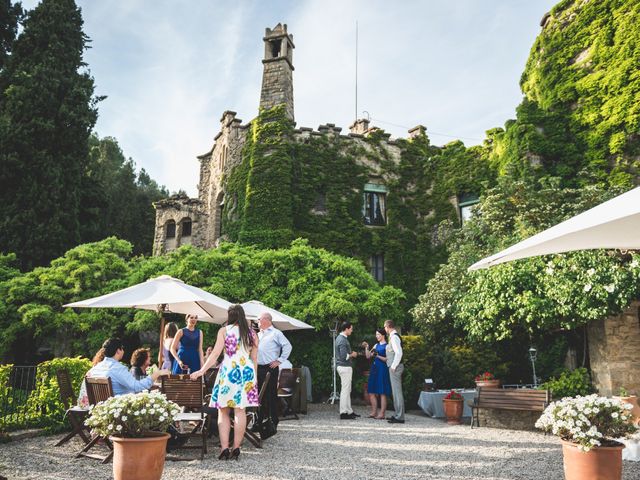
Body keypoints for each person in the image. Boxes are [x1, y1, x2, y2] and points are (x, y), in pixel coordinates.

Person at [191, 304, 259, 461]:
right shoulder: (252, 334)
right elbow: (254, 358)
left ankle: (224, 449)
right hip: (246, 372)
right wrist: (254, 378)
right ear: (242, 316)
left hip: (229, 371)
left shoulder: (224, 331)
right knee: (240, 411)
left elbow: (215, 354)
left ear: (230, 316)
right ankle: (236, 447)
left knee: (223, 411)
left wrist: (202, 371)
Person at [91, 338, 169, 395]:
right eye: (122, 349)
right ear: (118, 351)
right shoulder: (117, 368)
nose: (123, 351)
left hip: (103, 410)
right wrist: (156, 374)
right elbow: (136, 386)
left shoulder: (96, 368)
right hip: (122, 409)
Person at [257, 312, 292, 430]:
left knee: (271, 394)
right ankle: (259, 421)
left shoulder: (276, 333)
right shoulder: (258, 334)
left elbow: (288, 346)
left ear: (266, 320)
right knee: (258, 395)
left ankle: (273, 420)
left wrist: (280, 360)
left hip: (270, 367)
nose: (257, 321)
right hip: (258, 368)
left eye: (259, 319)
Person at [363, 328, 392, 419]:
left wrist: (377, 356)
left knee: (382, 392)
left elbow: (387, 359)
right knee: (371, 391)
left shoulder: (387, 346)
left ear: (383, 335)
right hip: (374, 369)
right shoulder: (376, 345)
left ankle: (382, 414)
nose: (377, 336)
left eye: (378, 334)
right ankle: (374, 412)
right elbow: (368, 356)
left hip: (382, 370)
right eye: (376, 334)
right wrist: (367, 347)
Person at [335, 321, 359, 420]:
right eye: (351, 329)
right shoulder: (342, 340)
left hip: (343, 367)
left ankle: (349, 411)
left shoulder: (341, 338)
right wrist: (352, 354)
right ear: (346, 329)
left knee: (347, 389)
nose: (352, 331)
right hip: (344, 367)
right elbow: (343, 356)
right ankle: (343, 413)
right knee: (345, 390)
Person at [384, 320, 405, 424]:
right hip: (394, 367)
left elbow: (399, 353)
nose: (385, 329)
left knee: (397, 392)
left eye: (385, 327)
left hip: (395, 368)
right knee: (395, 392)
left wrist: (393, 366)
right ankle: (397, 414)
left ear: (388, 327)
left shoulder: (394, 337)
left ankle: (400, 417)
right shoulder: (392, 337)